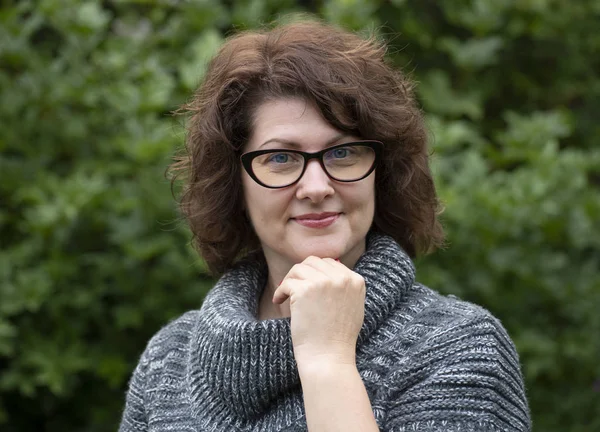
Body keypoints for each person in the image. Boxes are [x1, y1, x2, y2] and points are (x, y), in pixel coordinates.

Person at [119, 18, 531, 432]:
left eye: (343, 153)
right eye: (280, 158)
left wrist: (328, 362)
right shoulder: (168, 361)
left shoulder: (457, 348)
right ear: (235, 183)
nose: (316, 187)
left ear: (380, 172)